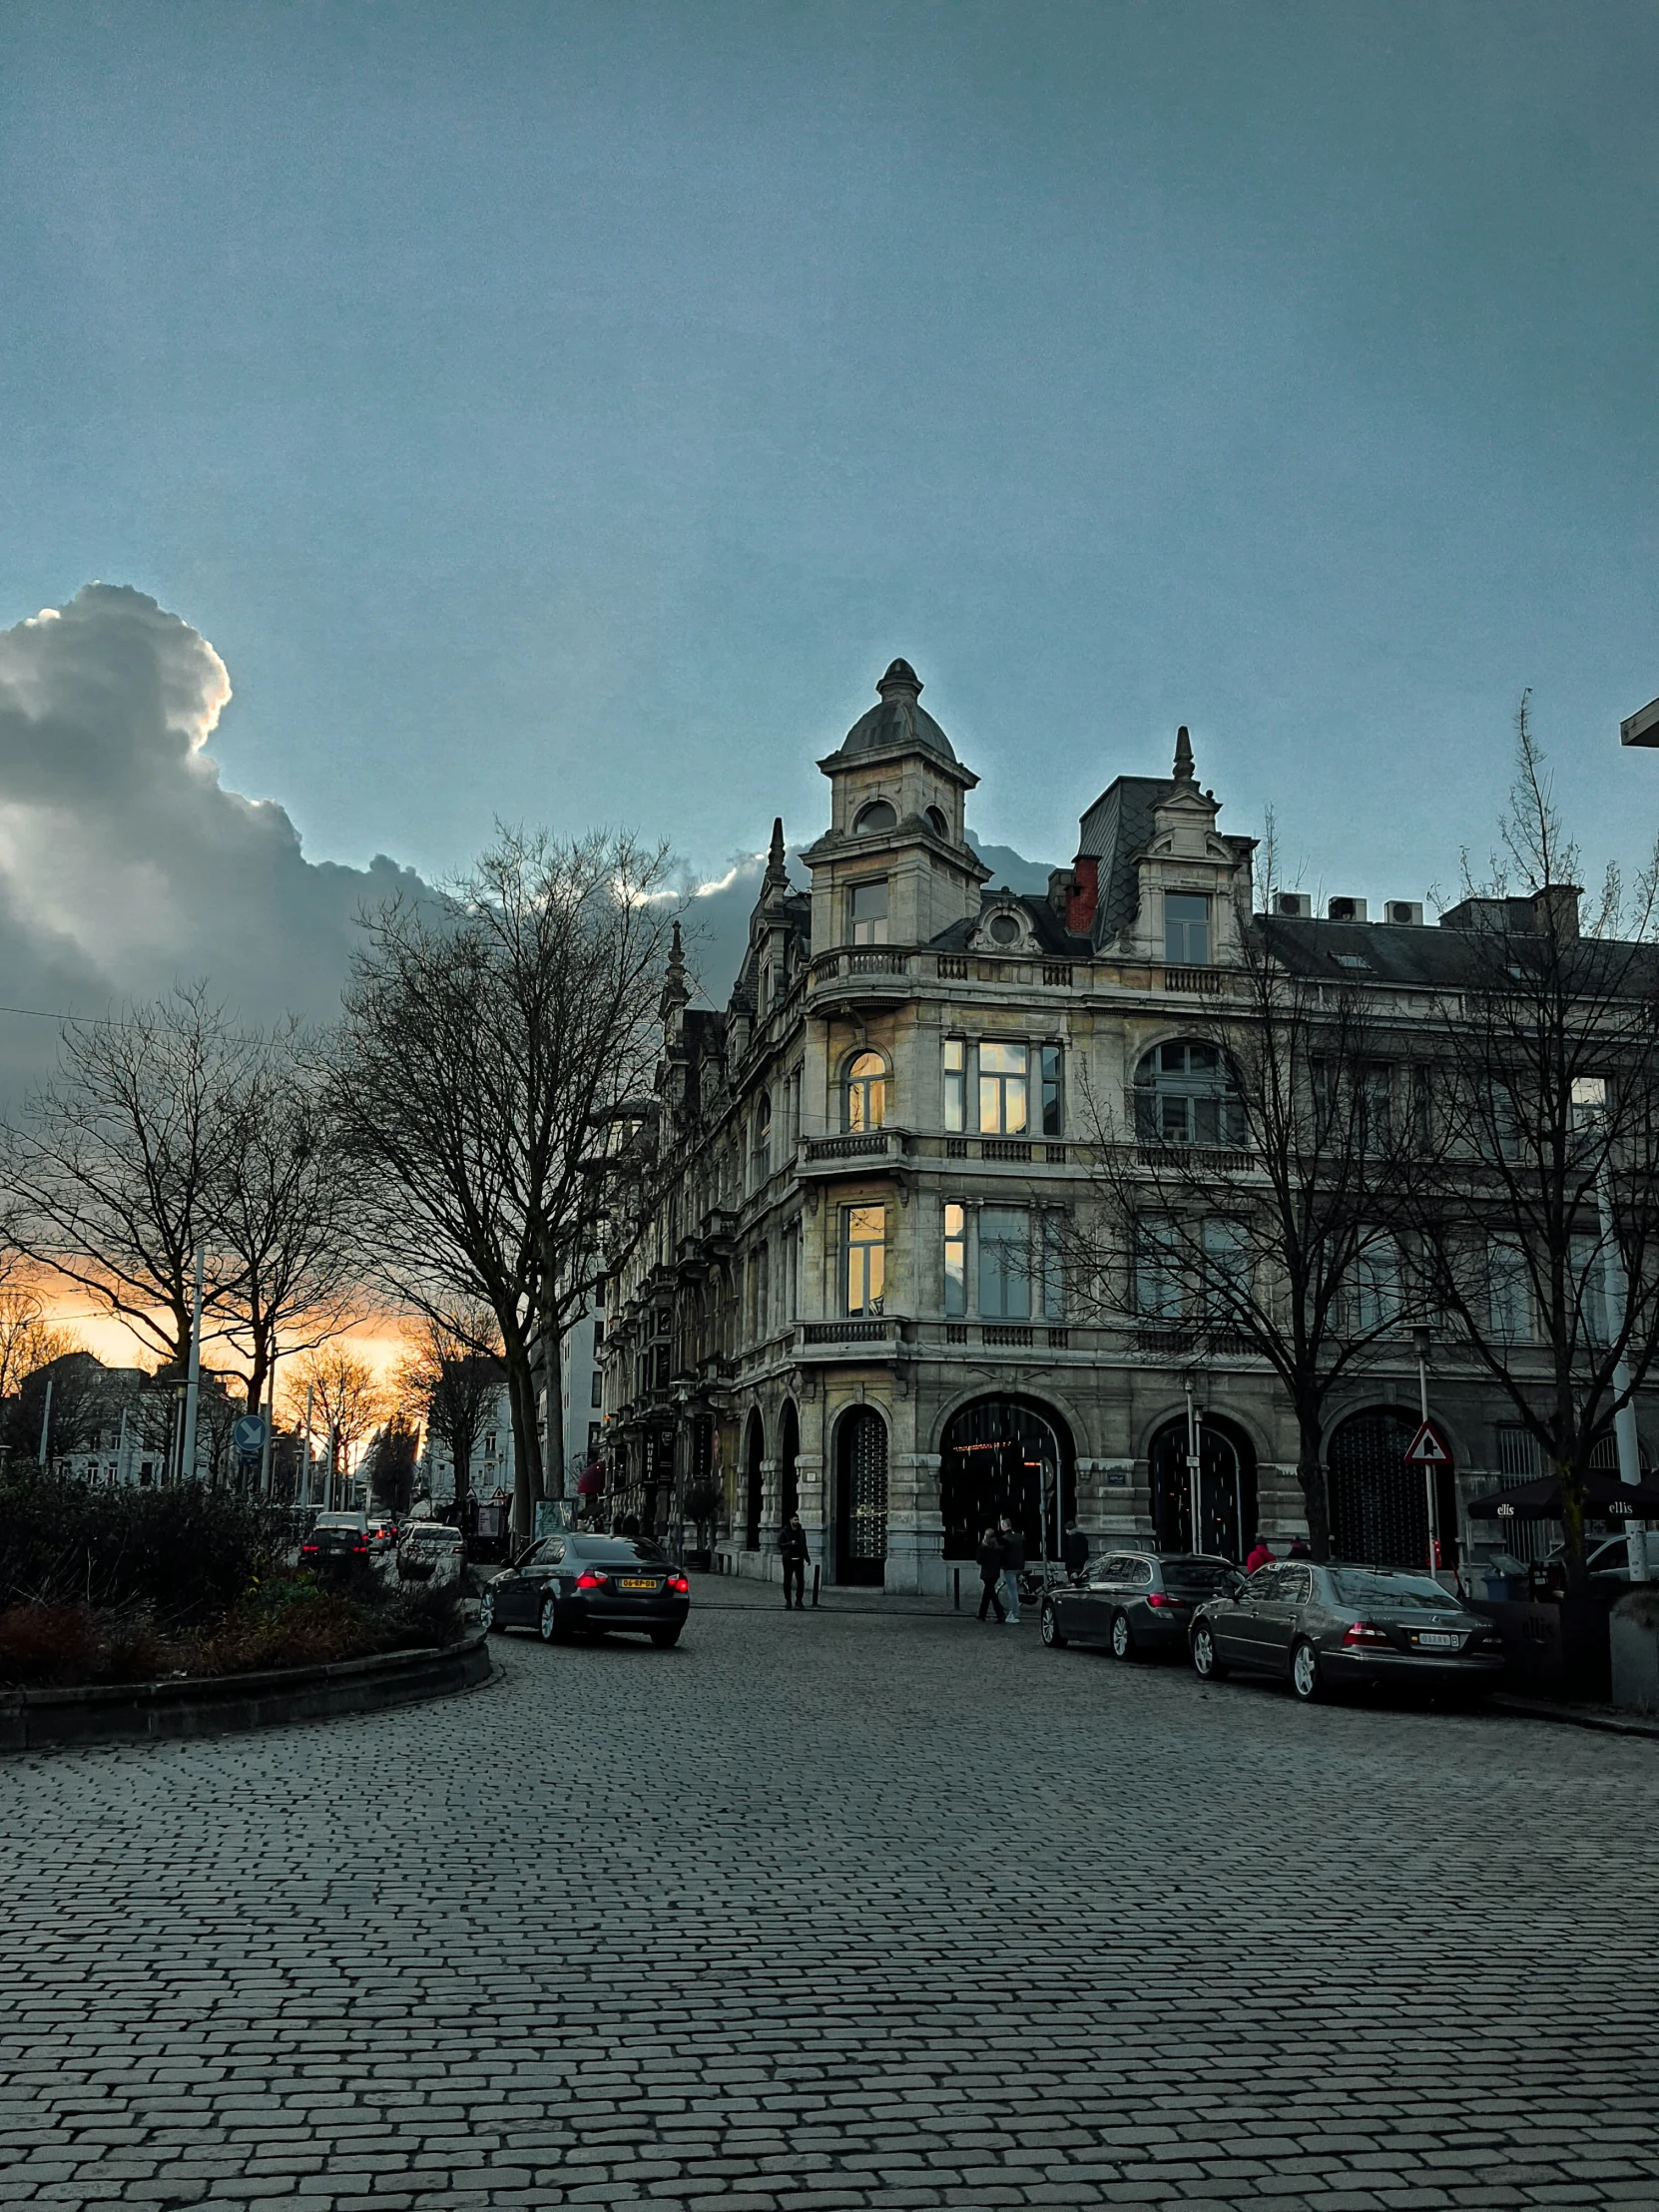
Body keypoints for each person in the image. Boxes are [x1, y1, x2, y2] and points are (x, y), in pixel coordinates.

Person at [976, 1525, 1007, 1623]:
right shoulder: (999, 1548)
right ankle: (982, 1614)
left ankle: (1000, 1615)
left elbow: (979, 1560)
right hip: (995, 1573)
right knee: (987, 1594)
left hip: (986, 1574)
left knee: (991, 1595)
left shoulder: (983, 1548)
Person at [780, 1512, 809, 1610]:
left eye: (798, 1520)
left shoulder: (801, 1532)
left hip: (799, 1559)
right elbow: (780, 1545)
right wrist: (790, 1543)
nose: (797, 1522)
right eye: (795, 1520)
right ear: (791, 1520)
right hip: (788, 1559)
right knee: (787, 1581)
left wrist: (807, 1557)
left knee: (800, 1581)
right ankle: (788, 1601)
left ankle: (799, 1600)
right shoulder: (784, 1531)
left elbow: (804, 1545)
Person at [998, 1516, 1025, 1623]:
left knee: (1012, 1591)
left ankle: (1013, 1613)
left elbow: (1002, 1554)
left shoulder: (1004, 1539)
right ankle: (1012, 1613)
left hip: (1009, 1567)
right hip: (1019, 1566)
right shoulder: (1020, 1537)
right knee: (1014, 1590)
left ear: (1004, 1526)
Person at [1061, 1517, 1090, 1582]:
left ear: (1068, 1529)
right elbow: (1086, 1553)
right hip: (1081, 1566)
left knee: (1072, 1584)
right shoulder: (1083, 1537)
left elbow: (1069, 1554)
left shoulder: (1071, 1539)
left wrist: (1067, 1567)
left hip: (1072, 1567)